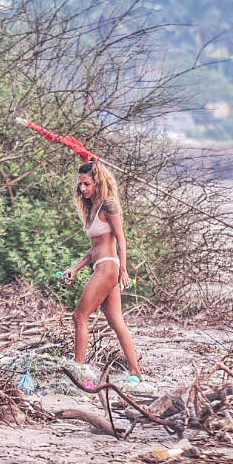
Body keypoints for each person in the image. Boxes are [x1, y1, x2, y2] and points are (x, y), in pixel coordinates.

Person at [60, 160, 141, 378]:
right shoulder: (93, 208)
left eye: (87, 184)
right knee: (116, 321)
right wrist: (75, 268)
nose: (82, 189)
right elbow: (94, 249)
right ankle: (135, 373)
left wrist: (124, 269)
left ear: (98, 181)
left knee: (79, 316)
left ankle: (78, 370)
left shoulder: (109, 205)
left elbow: (121, 239)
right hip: (102, 265)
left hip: (108, 268)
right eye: (80, 185)